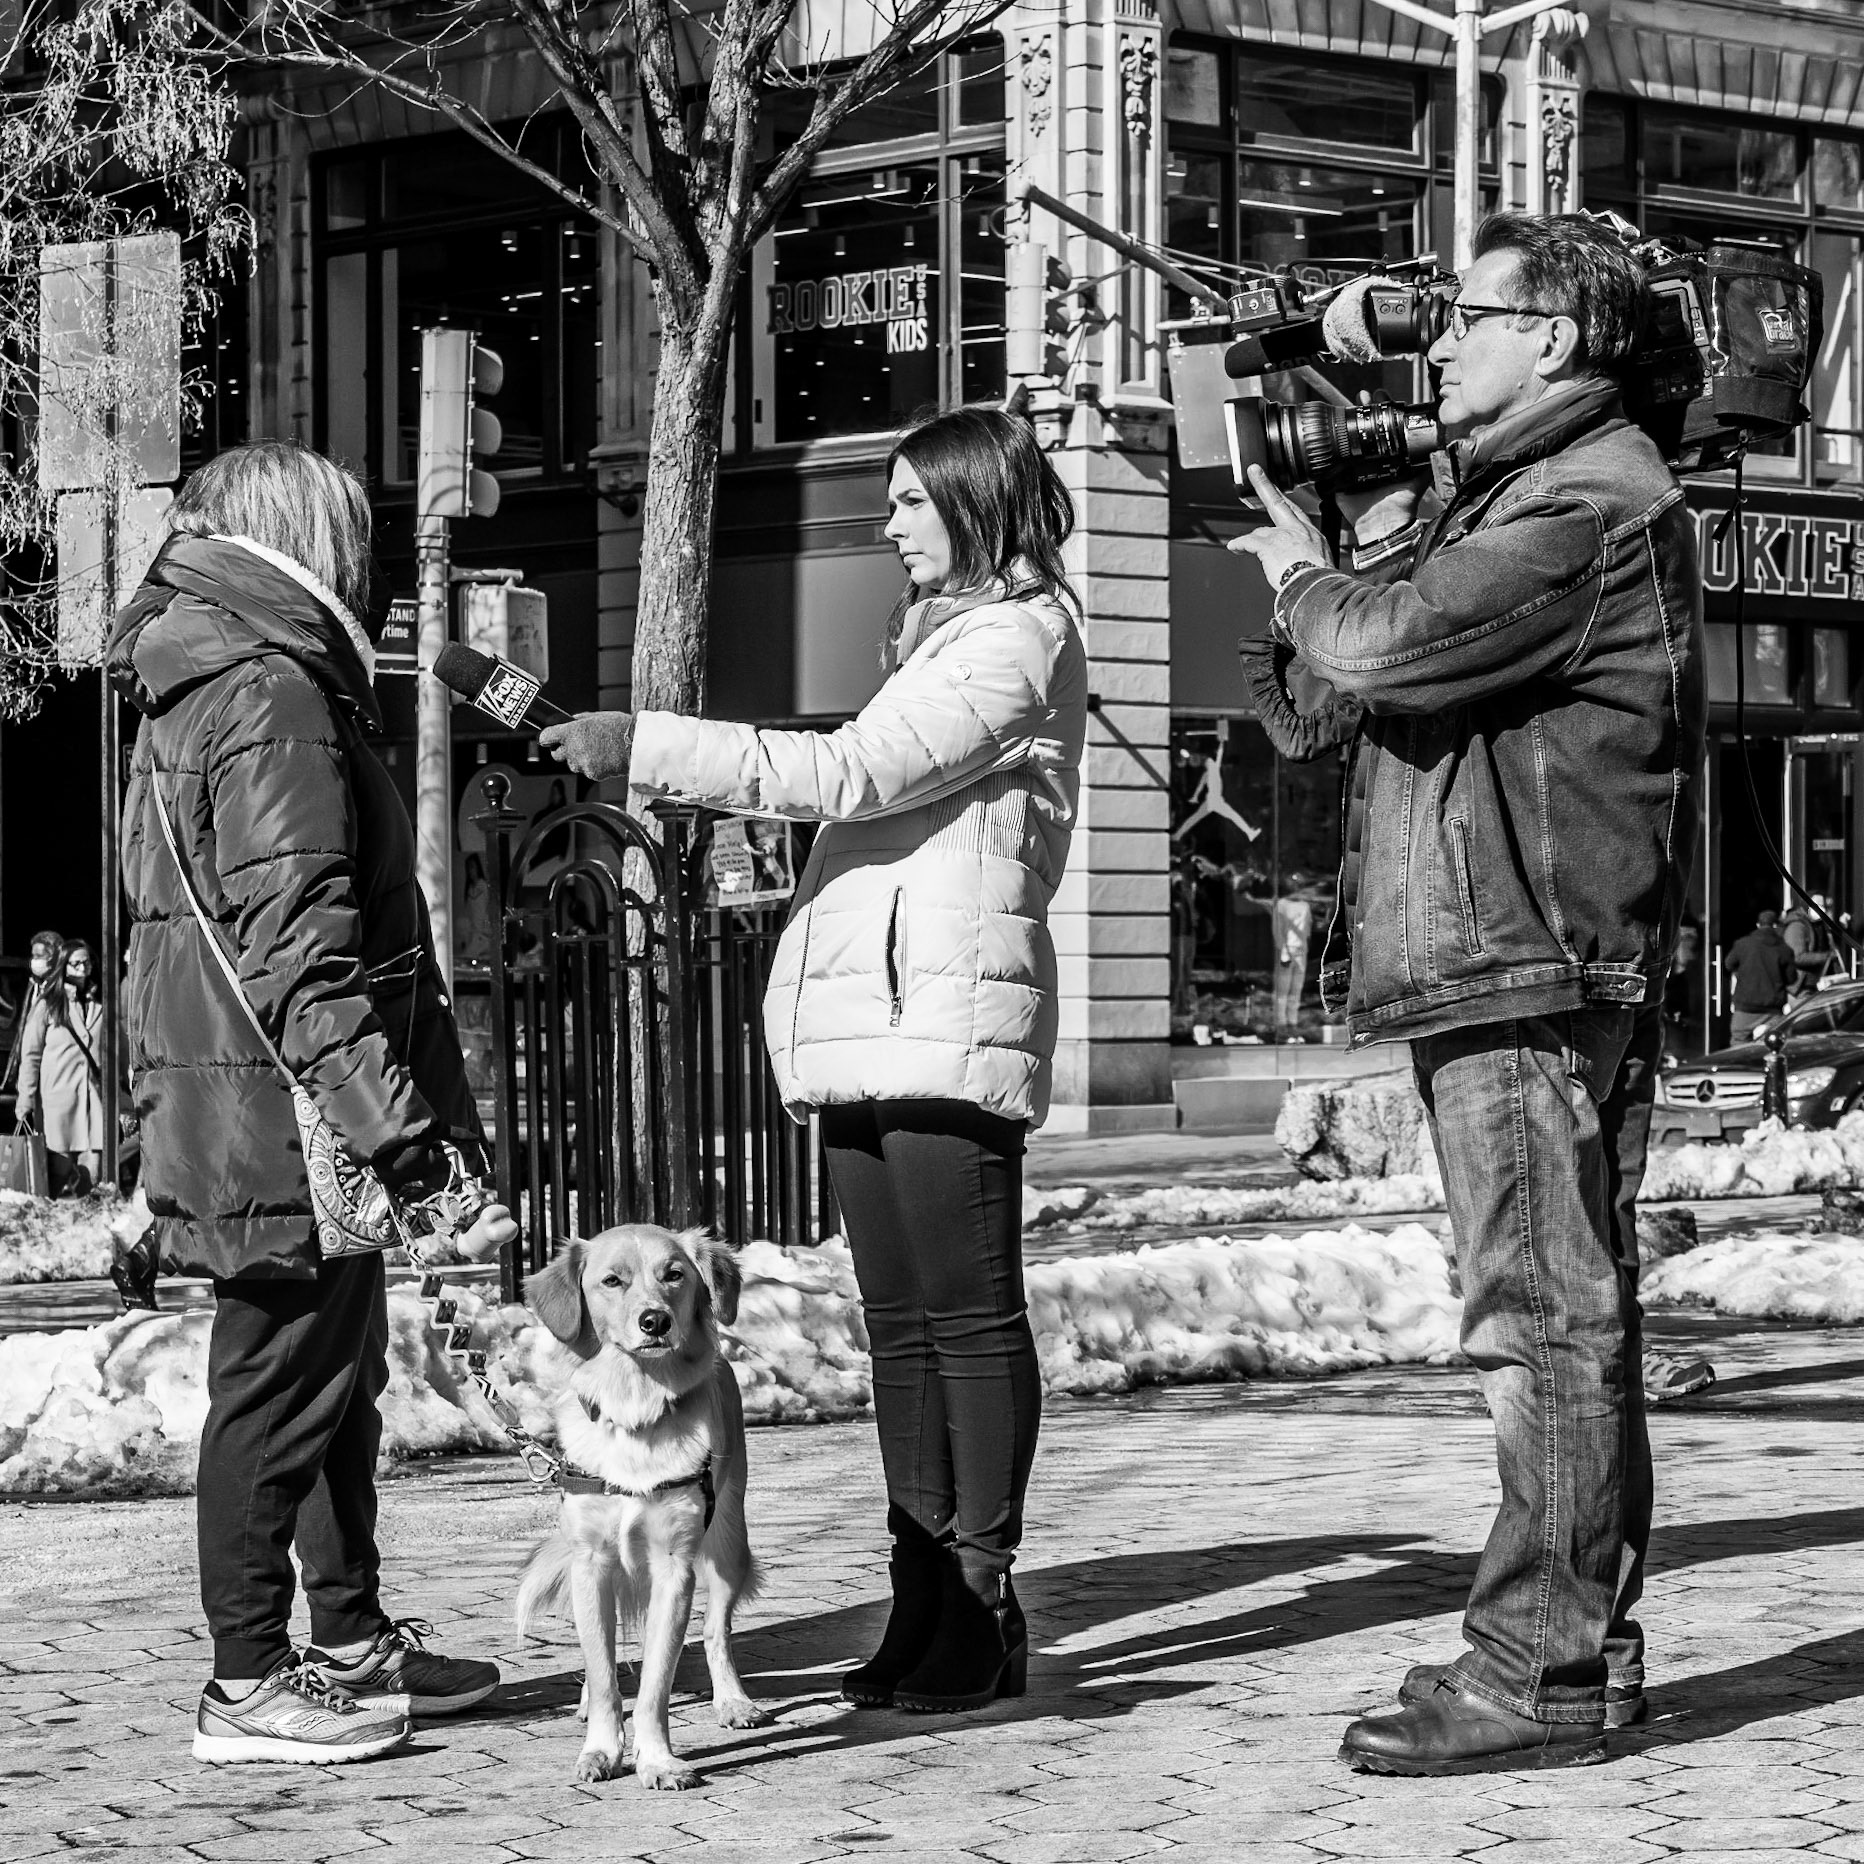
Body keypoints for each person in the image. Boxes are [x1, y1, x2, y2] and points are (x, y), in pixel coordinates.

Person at [1234, 212, 1705, 1773]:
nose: (1435, 344)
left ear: (1554, 336)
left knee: (1542, 1327)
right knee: (1571, 1322)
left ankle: (1535, 1668)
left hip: (1528, 962)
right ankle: (1580, 1658)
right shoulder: (1503, 501)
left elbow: (1372, 655)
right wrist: (1331, 551)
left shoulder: (1587, 505)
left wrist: (1320, 582)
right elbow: (1320, 713)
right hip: (1503, 957)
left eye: (1467, 317)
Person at [540, 405, 1088, 1715]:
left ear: (978, 503)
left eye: (910, 501)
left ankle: (981, 1599)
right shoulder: (937, 642)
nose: (887, 523)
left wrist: (647, 742)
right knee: (896, 1327)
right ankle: (919, 1598)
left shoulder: (1015, 641)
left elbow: (851, 775)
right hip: (875, 1019)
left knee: (963, 1319)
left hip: (947, 1020)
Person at [107, 441, 517, 1765]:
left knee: (333, 1388)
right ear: (312, 543)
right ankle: (245, 1681)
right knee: (277, 1394)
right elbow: (305, 952)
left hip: (257, 1103)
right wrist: (403, 1140)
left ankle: (344, 1638)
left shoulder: (206, 683)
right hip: (281, 1115)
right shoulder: (270, 690)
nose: (379, 575)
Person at [16, 937, 106, 1194]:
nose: (82, 967)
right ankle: (50, 1229)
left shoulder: (101, 1005)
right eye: (75, 962)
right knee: (57, 1175)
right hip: (58, 1101)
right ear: (62, 966)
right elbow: (30, 1055)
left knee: (93, 1175)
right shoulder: (48, 1004)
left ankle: (86, 1232)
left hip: (93, 1100)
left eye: (86, 962)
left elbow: (115, 1053)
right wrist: (25, 1100)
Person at [2, 929, 64, 1127]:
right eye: (33, 955)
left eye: (40, 956)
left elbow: (33, 1051)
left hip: (55, 1079)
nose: (34, 961)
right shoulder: (32, 986)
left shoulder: (57, 995)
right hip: (37, 1080)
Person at [1726, 909, 1795, 1040]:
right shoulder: (1784, 949)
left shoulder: (1742, 944)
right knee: (1771, 1045)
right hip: (1772, 1010)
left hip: (1745, 1008)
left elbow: (1728, 964)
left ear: (1758, 925)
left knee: (1738, 1043)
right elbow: (1791, 978)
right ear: (1776, 926)